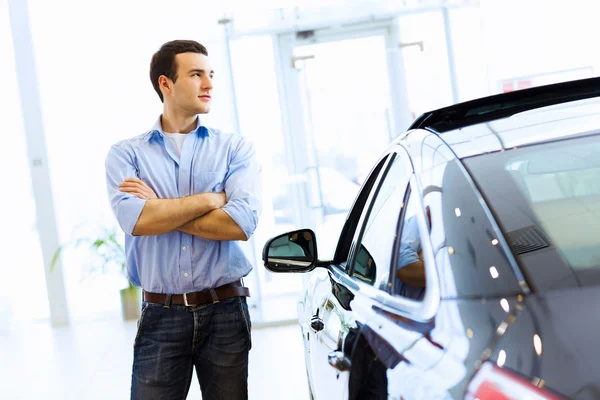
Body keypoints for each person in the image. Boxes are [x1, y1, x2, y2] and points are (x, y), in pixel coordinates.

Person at [105, 40, 261, 400]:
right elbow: (137, 221)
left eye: (210, 75)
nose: (208, 84)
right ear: (166, 84)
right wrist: (210, 200)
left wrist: (160, 207)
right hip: (161, 313)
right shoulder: (126, 154)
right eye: (195, 75)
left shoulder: (235, 148)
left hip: (226, 310)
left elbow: (238, 226)